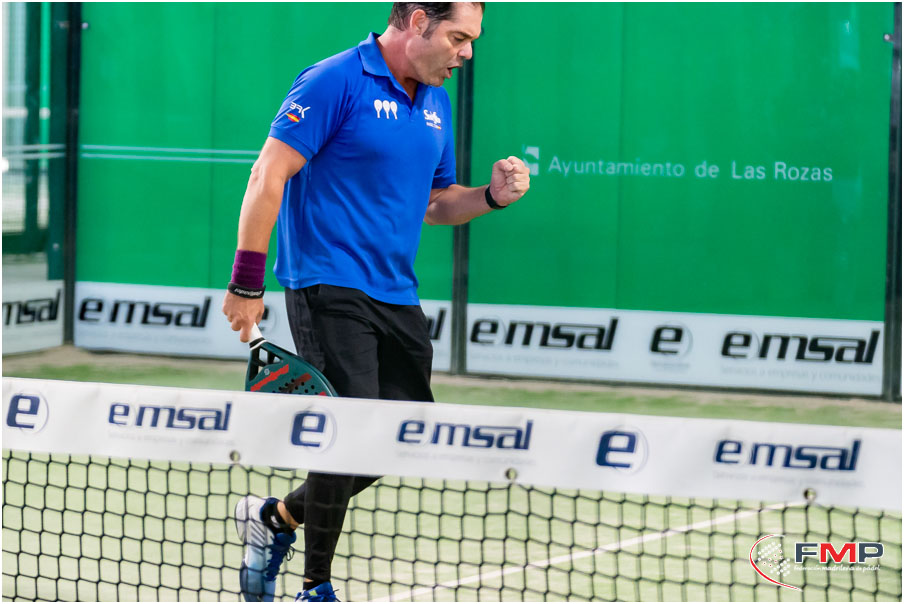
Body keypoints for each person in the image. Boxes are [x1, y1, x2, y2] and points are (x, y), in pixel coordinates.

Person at [222, 3, 530, 601]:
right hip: (327, 284)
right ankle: (315, 586)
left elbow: (435, 202)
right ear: (417, 21)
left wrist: (490, 197)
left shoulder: (435, 100)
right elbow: (267, 175)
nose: (467, 53)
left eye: (471, 40)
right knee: (350, 428)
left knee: (403, 434)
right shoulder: (333, 80)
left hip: (396, 292)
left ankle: (274, 519)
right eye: (459, 37)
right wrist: (246, 283)